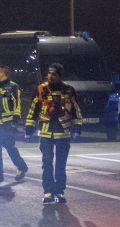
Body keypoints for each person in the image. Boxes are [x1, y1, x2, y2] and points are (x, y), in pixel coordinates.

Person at [25, 62, 83, 204]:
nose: (50, 76)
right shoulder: (41, 89)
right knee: (47, 163)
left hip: (63, 134)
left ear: (60, 76)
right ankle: (48, 192)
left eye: (54, 74)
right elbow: (33, 109)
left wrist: (77, 128)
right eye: (49, 73)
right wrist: (28, 128)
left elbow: (76, 110)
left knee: (60, 165)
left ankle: (59, 192)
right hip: (45, 134)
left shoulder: (69, 90)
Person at [0, 65, 29, 183]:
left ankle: (22, 167)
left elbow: (17, 103)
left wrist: (15, 119)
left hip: (7, 123)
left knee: (10, 147)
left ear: (3, 73)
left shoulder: (13, 86)